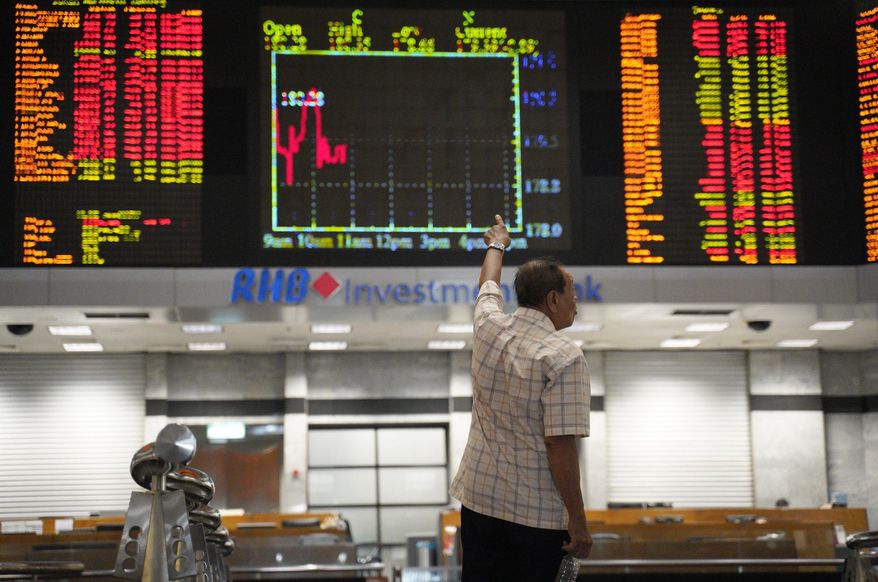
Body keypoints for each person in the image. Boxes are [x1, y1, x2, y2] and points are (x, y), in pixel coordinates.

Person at [450, 214, 593, 581]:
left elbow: (487, 284)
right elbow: (558, 446)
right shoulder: (564, 356)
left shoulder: (488, 327)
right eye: (573, 294)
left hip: (479, 506)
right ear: (552, 299)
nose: (577, 302)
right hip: (537, 519)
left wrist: (497, 244)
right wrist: (578, 522)